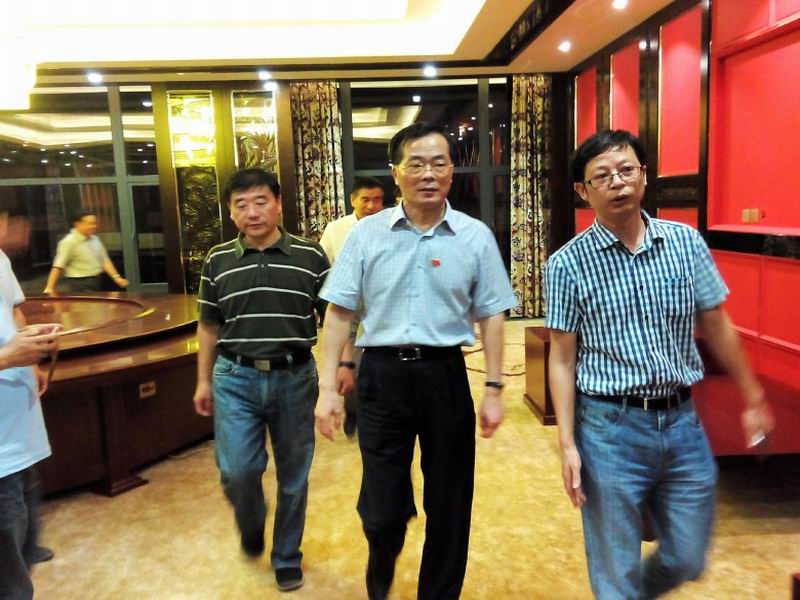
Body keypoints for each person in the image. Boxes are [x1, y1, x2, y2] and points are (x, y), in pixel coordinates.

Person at [545, 129, 775, 599]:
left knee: (687, 556)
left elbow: (716, 323)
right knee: (615, 571)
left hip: (682, 421)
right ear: (583, 191)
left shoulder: (685, 244)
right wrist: (567, 443)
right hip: (608, 427)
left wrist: (752, 396)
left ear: (644, 176)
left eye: (626, 170)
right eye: (602, 176)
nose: (618, 182)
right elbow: (563, 357)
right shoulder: (567, 265)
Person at [315, 122, 516, 600]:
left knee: (450, 499)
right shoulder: (366, 235)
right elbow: (339, 313)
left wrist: (493, 388)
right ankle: (382, 550)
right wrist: (326, 389)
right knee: (382, 508)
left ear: (451, 170)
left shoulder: (474, 236)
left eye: (439, 163)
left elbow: (492, 314)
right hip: (381, 376)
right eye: (417, 164)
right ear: (396, 173)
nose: (429, 173)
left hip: (445, 375)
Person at [192, 168, 329, 593]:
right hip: (235, 376)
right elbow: (208, 325)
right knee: (237, 470)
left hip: (295, 376)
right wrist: (202, 382)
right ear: (231, 212)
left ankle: (286, 556)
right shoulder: (217, 260)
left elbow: (336, 318)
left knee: (294, 474)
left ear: (278, 204)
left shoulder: (310, 255)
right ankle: (251, 520)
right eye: (241, 205)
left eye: (260, 201)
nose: (252, 212)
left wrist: (340, 373)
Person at [0, 209, 61, 600]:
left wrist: (32, 354)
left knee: (24, 500)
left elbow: (12, 311)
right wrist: (7, 357)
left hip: (15, 416)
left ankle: (26, 554)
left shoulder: (0, 259)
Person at [319, 176, 385, 436]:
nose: (371, 206)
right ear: (353, 200)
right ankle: (353, 409)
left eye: (377, 200)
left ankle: (379, 411)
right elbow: (324, 266)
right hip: (348, 308)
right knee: (349, 364)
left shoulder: (391, 226)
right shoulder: (336, 229)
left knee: (382, 364)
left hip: (380, 308)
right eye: (365, 200)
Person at [43, 209, 129, 294]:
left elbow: (104, 260)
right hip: (80, 283)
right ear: (78, 224)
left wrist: (116, 277)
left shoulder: (95, 239)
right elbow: (58, 266)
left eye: (95, 223)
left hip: (98, 279)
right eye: (90, 224)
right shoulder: (68, 242)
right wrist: (49, 288)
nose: (94, 226)